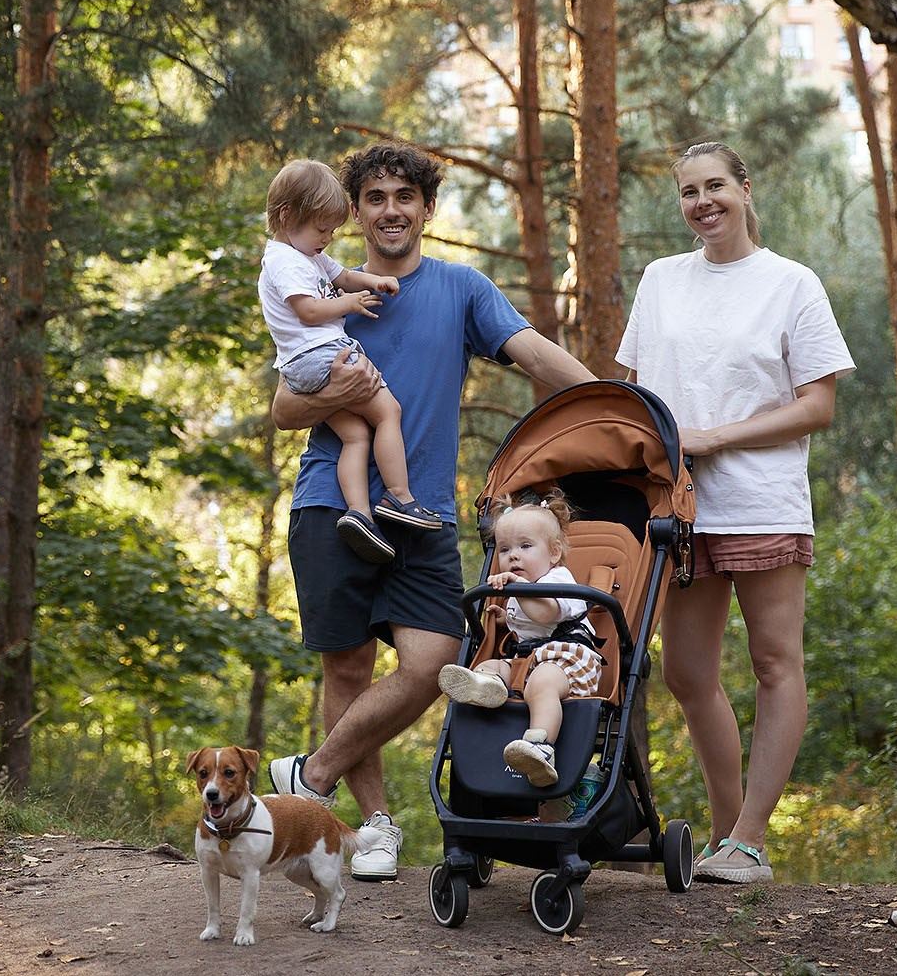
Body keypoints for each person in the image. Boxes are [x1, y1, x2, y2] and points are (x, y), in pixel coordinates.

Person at [263, 141, 595, 882]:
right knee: (347, 665)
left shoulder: (459, 288)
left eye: (403, 197)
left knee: (435, 658)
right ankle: (374, 824)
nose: (390, 210)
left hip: (425, 516)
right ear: (355, 211)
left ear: (426, 209)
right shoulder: (318, 285)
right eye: (375, 197)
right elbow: (286, 404)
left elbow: (537, 353)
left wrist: (617, 401)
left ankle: (311, 774)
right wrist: (347, 389)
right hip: (332, 500)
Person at [615, 140, 854, 886]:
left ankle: (751, 839)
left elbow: (818, 405)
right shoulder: (660, 280)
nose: (702, 202)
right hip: (676, 505)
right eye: (688, 191)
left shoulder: (791, 283)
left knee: (775, 662)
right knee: (688, 672)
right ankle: (726, 834)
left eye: (715, 185)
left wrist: (715, 436)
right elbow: (633, 386)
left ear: (745, 189)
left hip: (760, 498)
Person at [257, 159, 443, 564]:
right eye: (322, 228)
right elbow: (308, 311)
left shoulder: (306, 254)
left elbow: (342, 276)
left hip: (305, 367)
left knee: (355, 436)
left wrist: (371, 281)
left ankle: (358, 513)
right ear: (288, 216)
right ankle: (400, 498)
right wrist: (352, 304)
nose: (328, 238)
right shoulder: (284, 261)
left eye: (333, 229)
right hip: (322, 356)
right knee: (388, 412)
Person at [435, 491, 606, 787]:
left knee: (541, 683)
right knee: (493, 665)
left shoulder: (558, 580)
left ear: (553, 553)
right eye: (504, 549)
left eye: (525, 546)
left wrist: (519, 589)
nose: (513, 555)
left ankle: (540, 746)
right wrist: (505, 619)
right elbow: (529, 626)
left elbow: (545, 613)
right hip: (528, 660)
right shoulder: (521, 589)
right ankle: (485, 686)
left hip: (568, 661)